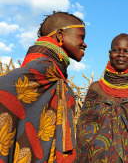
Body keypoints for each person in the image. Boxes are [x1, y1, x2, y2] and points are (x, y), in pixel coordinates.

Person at [0, 11, 87, 162]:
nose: (84, 43)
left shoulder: (52, 73)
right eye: (81, 37)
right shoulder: (40, 70)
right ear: (61, 35)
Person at [76, 33, 128, 162]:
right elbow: (83, 131)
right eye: (116, 50)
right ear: (109, 53)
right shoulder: (96, 89)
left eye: (126, 51)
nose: (121, 54)